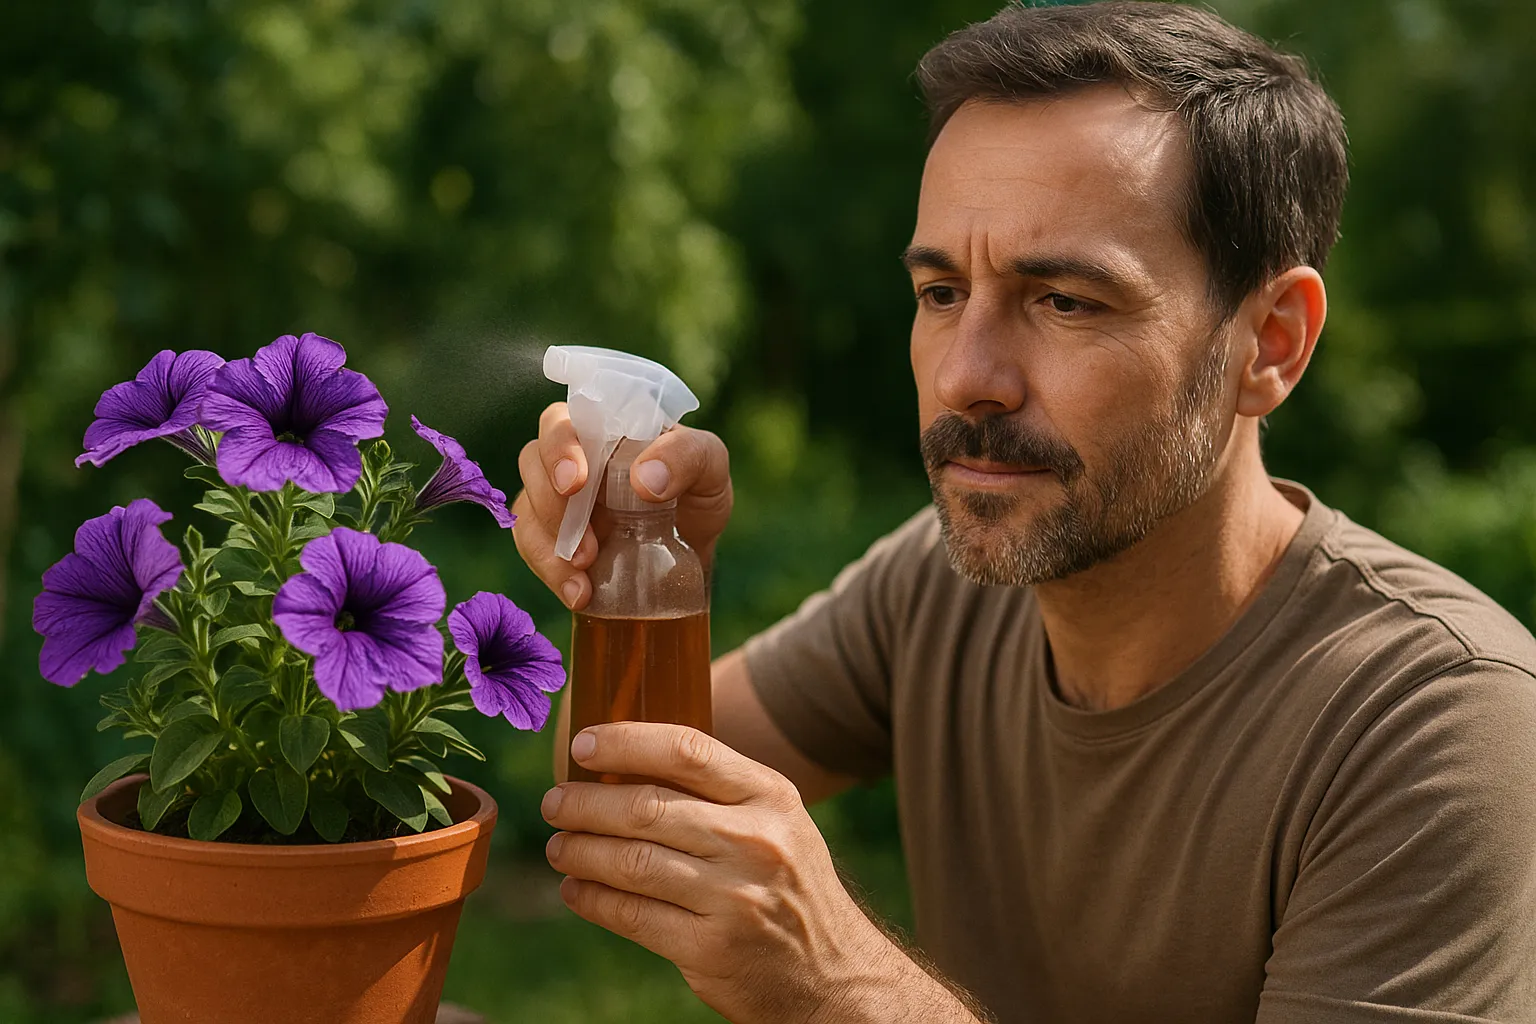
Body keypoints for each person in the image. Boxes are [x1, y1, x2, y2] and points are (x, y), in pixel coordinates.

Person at [511, 3, 1536, 1022]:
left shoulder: (1440, 728)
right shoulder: (936, 590)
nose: (968, 378)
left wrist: (841, 989)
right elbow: (605, 793)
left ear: (1269, 344)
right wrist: (643, 566)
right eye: (942, 292)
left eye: (1065, 301)